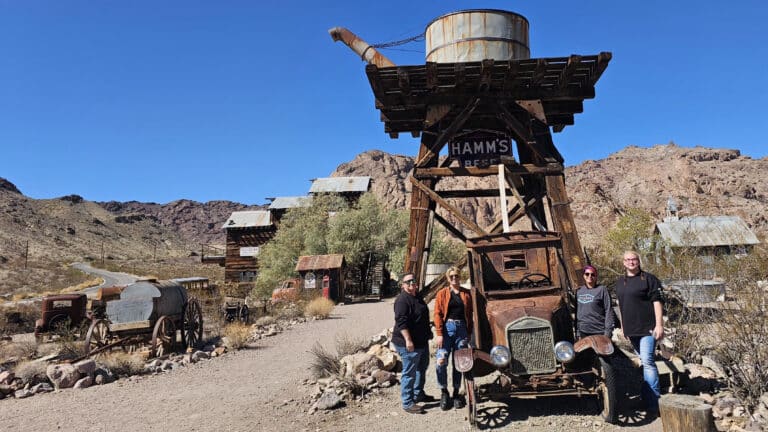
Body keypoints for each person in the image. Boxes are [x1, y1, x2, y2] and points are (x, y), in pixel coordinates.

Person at [614, 251, 664, 415]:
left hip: (647, 328)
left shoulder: (649, 279)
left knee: (648, 361)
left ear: (638, 261)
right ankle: (646, 397)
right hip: (631, 330)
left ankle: (653, 404)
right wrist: (623, 326)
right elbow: (621, 305)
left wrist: (659, 325)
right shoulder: (621, 282)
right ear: (623, 263)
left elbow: (657, 302)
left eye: (634, 259)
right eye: (627, 259)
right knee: (643, 361)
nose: (631, 262)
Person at [391, 273, 433, 414]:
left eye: (413, 281)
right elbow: (401, 322)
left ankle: (418, 393)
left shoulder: (417, 296)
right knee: (409, 372)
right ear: (403, 285)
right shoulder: (402, 300)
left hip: (421, 341)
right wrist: (408, 340)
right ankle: (408, 402)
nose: (411, 284)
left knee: (422, 367)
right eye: (408, 282)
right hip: (407, 342)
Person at [433, 266, 473, 410]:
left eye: (456, 275)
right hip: (447, 329)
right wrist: (439, 333)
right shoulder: (442, 293)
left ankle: (456, 393)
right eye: (451, 276)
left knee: (459, 362)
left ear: (459, 277)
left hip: (461, 329)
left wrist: (469, 332)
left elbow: (470, 314)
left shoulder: (466, 294)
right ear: (448, 278)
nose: (454, 278)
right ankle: (444, 391)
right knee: (441, 360)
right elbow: (437, 313)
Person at [575, 265, 615, 339]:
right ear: (584, 276)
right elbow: (578, 312)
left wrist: (608, 332)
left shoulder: (602, 290)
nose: (590, 276)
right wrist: (577, 332)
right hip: (583, 332)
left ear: (596, 277)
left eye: (593, 274)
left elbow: (608, 310)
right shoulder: (579, 291)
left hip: (599, 331)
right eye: (587, 274)